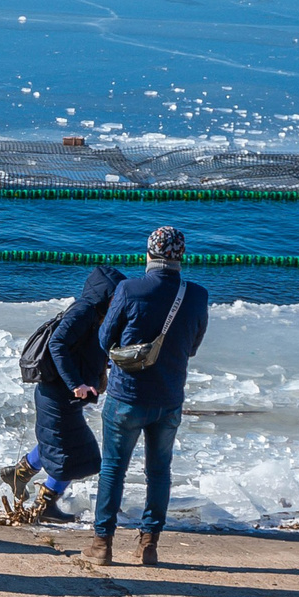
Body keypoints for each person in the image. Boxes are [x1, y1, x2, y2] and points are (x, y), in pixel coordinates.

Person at [92, 226, 210, 568]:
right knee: (159, 471)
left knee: (113, 468)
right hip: (169, 396)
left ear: (149, 253)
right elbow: (193, 347)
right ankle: (149, 545)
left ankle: (102, 544)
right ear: (181, 256)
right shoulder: (197, 295)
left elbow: (104, 340)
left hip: (126, 395)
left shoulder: (130, 289)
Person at [5, 266, 124, 524]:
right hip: (56, 393)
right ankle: (44, 504)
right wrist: (75, 383)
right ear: (106, 293)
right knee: (71, 453)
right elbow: (57, 344)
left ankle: (20, 473)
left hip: (61, 395)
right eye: (116, 295)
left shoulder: (97, 315)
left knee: (63, 445)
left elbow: (84, 350)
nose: (119, 301)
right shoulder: (84, 311)